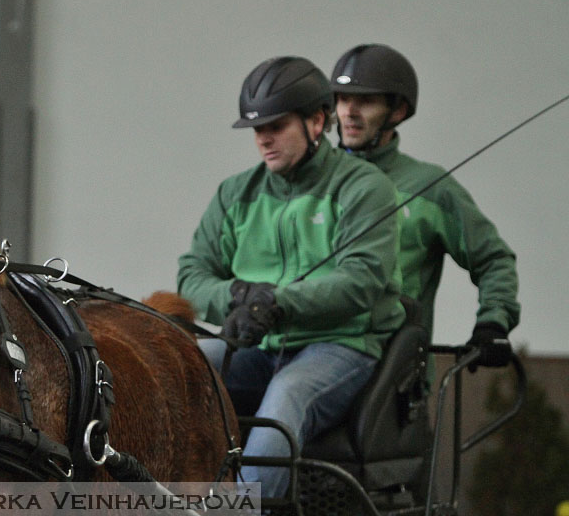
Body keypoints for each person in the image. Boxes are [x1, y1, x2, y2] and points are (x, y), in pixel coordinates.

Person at [177, 56, 405, 497]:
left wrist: (277, 302)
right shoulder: (235, 193)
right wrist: (238, 295)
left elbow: (361, 279)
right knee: (180, 363)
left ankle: (241, 509)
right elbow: (192, 275)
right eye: (256, 129)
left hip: (342, 345)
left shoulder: (364, 188)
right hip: (258, 347)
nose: (263, 139)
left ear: (317, 121)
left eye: (276, 126)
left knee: (289, 392)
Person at [331, 44, 519, 374]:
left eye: (366, 100)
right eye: (343, 99)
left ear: (398, 111)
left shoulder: (431, 187)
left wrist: (493, 322)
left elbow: (493, 259)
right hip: (302, 352)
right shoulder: (311, 183)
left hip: (391, 378)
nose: (349, 111)